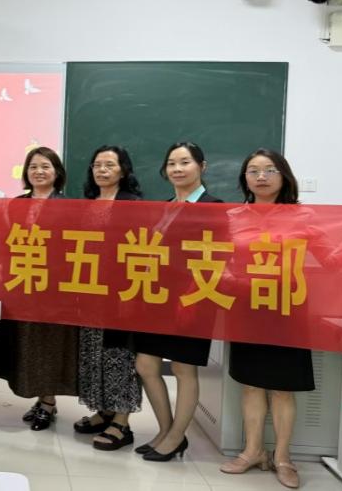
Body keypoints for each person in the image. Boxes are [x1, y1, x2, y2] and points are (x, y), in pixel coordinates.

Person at [220, 148, 342, 489]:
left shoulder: (303, 217)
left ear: (284, 176)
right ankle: (252, 452)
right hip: (247, 308)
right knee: (250, 384)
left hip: (288, 309)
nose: (261, 176)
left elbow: (332, 261)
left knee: (282, 388)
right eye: (253, 170)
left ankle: (282, 457)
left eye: (270, 170)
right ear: (244, 178)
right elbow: (219, 261)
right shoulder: (232, 216)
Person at [132, 141, 222, 462]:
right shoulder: (165, 206)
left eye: (185, 162)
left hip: (194, 299)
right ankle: (166, 431)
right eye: (172, 163)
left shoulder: (213, 207)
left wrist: (190, 298)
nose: (177, 169)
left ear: (202, 167)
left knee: (184, 368)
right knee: (145, 365)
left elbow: (216, 258)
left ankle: (174, 437)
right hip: (157, 299)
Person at [0, 147, 80, 431]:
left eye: (45, 166)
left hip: (54, 288)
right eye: (33, 167)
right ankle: (40, 399)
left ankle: (48, 402)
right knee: (28, 343)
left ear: (57, 172)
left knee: (50, 345)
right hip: (23, 284)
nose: (39, 171)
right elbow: (5, 238)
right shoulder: (17, 203)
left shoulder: (68, 205)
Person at [74, 145, 143, 451]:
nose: (102, 170)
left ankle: (122, 423)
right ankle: (104, 411)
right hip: (90, 292)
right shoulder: (87, 204)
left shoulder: (133, 204)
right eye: (97, 165)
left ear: (123, 170)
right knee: (93, 353)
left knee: (119, 356)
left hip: (121, 294)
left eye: (109, 165)